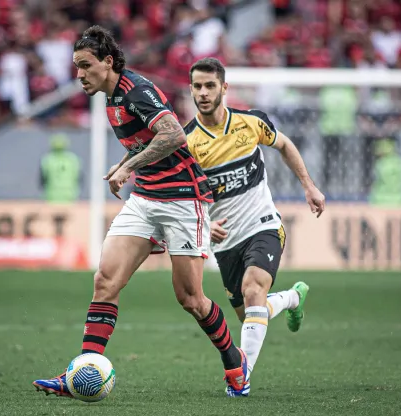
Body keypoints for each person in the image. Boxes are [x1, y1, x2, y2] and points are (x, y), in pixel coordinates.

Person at [32, 26, 249, 398]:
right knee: (105, 280)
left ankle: (235, 362)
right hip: (146, 198)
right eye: (76, 67)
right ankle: (83, 371)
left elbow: (173, 135)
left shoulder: (137, 92)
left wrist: (129, 167)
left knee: (191, 299)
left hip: (183, 198)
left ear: (108, 62)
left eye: (85, 66)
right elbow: (145, 141)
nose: (79, 75)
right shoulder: (110, 97)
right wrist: (125, 164)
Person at [183, 58, 326, 394]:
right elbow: (182, 195)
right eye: (197, 86)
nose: (203, 93)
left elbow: (285, 145)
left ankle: (240, 379)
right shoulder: (187, 142)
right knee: (251, 312)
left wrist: (308, 185)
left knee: (253, 289)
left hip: (263, 225)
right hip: (225, 242)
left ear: (224, 88)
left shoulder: (250, 123)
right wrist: (202, 223)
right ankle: (291, 298)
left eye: (209, 86)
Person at [39, 134, 81, 203]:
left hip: (51, 197)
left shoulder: (47, 159)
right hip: (70, 197)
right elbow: (79, 179)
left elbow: (43, 180)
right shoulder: (73, 159)